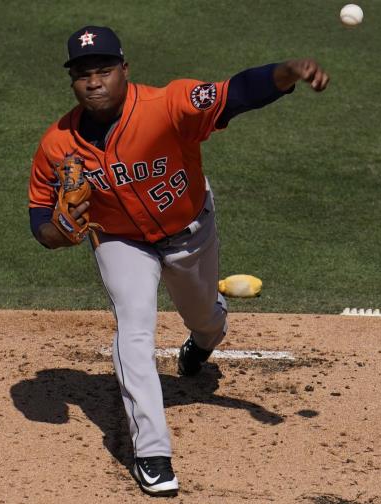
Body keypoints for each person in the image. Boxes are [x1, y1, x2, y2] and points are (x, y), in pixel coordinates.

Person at [27, 25, 329, 497]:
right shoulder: (57, 144)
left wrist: (287, 72)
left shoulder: (167, 105)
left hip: (191, 232)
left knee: (204, 317)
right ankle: (152, 452)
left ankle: (204, 339)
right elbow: (40, 218)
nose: (94, 82)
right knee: (133, 330)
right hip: (120, 242)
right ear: (72, 81)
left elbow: (235, 94)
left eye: (104, 70)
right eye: (83, 74)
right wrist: (58, 233)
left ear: (125, 70)